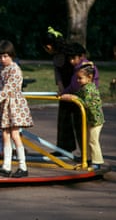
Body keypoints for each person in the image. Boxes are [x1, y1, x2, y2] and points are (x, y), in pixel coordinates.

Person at [0, 40, 33, 178]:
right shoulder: (1, 69)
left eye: (5, 56)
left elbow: (7, 90)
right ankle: (6, 165)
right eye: (0, 57)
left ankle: (23, 166)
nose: (2, 59)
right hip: (4, 106)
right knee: (5, 135)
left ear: (11, 55)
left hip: (13, 105)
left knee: (15, 135)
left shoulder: (15, 69)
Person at [60, 62, 104, 170]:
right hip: (90, 119)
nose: (78, 81)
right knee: (87, 139)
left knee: (93, 141)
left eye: (80, 78)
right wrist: (64, 94)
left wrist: (73, 98)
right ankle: (88, 159)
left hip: (96, 120)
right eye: (77, 78)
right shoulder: (85, 87)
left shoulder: (89, 89)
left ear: (89, 77)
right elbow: (77, 95)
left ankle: (97, 162)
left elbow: (86, 103)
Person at [60, 42, 99, 156]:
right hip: (79, 103)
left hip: (87, 106)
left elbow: (89, 89)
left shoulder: (87, 68)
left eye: (73, 58)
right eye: (69, 59)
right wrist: (64, 93)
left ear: (81, 56)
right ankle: (85, 156)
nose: (71, 61)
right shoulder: (77, 68)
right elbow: (72, 85)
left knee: (88, 135)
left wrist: (72, 96)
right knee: (80, 130)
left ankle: (89, 157)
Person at [41, 27, 75, 155]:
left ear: (49, 46)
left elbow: (76, 73)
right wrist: (61, 87)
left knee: (76, 120)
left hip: (74, 87)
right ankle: (63, 148)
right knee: (63, 119)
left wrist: (71, 89)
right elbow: (58, 74)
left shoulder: (68, 54)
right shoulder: (55, 56)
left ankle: (85, 152)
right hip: (65, 88)